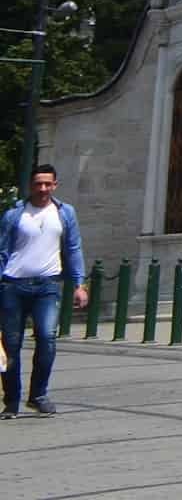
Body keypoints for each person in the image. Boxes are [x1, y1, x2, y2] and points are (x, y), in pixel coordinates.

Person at [1, 164, 89, 419]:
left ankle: (38, 395)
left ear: (55, 185)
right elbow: (2, 251)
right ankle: (11, 401)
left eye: (47, 184)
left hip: (47, 285)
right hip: (13, 285)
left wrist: (79, 284)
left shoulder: (65, 213)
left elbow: (73, 249)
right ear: (30, 185)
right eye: (38, 184)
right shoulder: (14, 214)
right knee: (12, 344)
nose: (42, 189)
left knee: (47, 337)